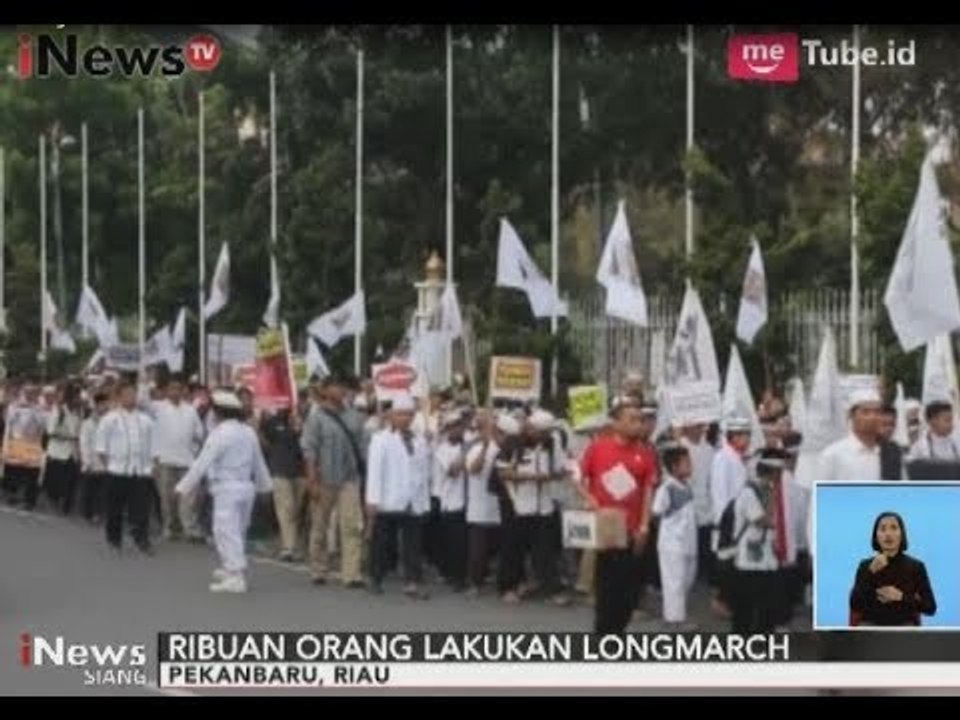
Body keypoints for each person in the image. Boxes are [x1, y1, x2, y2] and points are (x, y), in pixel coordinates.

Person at [175, 390, 273, 593]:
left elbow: (201, 464)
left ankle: (236, 576)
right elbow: (259, 463)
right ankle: (230, 568)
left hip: (227, 488)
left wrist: (182, 487)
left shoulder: (219, 434)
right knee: (238, 531)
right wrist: (265, 487)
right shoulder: (248, 432)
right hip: (246, 487)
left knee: (225, 532)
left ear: (218, 412)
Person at [579, 399, 656, 633]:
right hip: (608, 528)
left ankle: (617, 629)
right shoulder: (598, 448)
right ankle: (605, 635)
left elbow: (647, 490)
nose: (638, 424)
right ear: (616, 423)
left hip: (633, 531)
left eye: (640, 420)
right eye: (632, 420)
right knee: (608, 589)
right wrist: (588, 498)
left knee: (630, 591)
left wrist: (644, 525)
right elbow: (578, 477)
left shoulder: (645, 454)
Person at [497, 409, 570, 606]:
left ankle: (552, 589)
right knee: (513, 550)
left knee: (546, 551)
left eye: (546, 432)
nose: (543, 436)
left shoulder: (552, 443)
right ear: (530, 428)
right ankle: (508, 587)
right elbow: (503, 473)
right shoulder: (513, 443)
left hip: (544, 506)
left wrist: (560, 473)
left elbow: (559, 469)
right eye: (540, 432)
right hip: (518, 505)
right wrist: (533, 477)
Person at [302, 376, 366, 588]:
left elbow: (362, 448)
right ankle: (318, 568)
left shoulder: (354, 417)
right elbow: (310, 451)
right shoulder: (316, 417)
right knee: (320, 525)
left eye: (343, 386)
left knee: (351, 526)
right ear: (325, 390)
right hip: (324, 478)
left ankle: (351, 573)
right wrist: (312, 480)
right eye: (336, 386)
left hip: (349, 478)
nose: (341, 390)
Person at [365, 393, 431, 598]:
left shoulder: (419, 440)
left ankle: (412, 582)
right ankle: (376, 578)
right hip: (388, 499)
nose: (405, 418)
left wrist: (424, 499)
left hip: (412, 500)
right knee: (382, 542)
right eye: (401, 414)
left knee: (413, 544)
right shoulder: (380, 439)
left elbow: (423, 472)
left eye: (409, 414)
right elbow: (374, 471)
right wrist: (372, 500)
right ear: (392, 415)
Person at [729, 448, 789, 633]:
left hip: (767, 558)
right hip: (748, 558)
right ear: (772, 472)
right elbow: (762, 520)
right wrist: (781, 523)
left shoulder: (770, 491)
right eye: (779, 473)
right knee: (745, 604)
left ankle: (764, 634)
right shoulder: (749, 492)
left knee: (767, 602)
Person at [95, 381, 156, 555]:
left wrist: (151, 466)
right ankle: (114, 539)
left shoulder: (145, 420)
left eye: (133, 394)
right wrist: (109, 466)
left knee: (141, 507)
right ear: (119, 397)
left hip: (140, 471)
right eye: (127, 394)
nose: (131, 398)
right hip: (117, 470)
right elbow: (101, 448)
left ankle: (142, 539)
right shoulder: (109, 419)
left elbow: (153, 445)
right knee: (115, 508)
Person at [849, 512, 937, 626]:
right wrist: (870, 572)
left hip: (904, 626)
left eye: (894, 528)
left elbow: (930, 608)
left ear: (902, 534)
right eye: (883, 529)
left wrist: (901, 597)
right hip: (871, 626)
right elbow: (855, 604)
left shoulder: (916, 566)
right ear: (876, 536)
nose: (888, 534)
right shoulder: (865, 566)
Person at [151, 376, 206, 542]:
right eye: (172, 388)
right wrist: (145, 378)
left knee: (188, 497)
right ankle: (169, 528)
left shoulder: (190, 410)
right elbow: (141, 400)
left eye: (178, 388)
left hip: (187, 460)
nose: (175, 392)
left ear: (182, 391)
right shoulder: (157, 408)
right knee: (167, 498)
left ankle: (190, 529)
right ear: (166, 391)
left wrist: (196, 447)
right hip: (165, 460)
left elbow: (199, 433)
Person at [651, 442, 698, 629]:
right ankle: (674, 620)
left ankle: (677, 615)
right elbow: (656, 511)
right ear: (674, 467)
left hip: (688, 543)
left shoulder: (687, 486)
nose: (690, 466)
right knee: (674, 582)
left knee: (686, 580)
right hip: (672, 545)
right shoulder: (667, 488)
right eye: (686, 463)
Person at [709, 417, 752, 615]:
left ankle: (732, 600)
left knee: (735, 563)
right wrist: (724, 521)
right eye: (744, 435)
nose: (748, 440)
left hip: (740, 518)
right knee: (725, 563)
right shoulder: (722, 458)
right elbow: (719, 492)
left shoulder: (739, 457)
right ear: (733, 437)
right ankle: (720, 601)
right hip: (727, 519)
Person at [464, 410, 503, 597]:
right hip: (480, 509)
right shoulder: (474, 449)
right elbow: (473, 469)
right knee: (477, 552)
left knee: (501, 549)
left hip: (500, 508)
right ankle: (475, 583)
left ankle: (502, 582)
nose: (487, 431)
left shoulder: (503, 448)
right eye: (483, 428)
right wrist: (485, 449)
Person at [819, 389, 896, 481]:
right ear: (851, 415)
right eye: (865, 412)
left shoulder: (891, 453)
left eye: (877, 412)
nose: (873, 417)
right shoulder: (833, 455)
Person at [261, 406, 305, 562]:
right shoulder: (273, 424)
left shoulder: (303, 421)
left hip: (300, 473)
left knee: (295, 511)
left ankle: (293, 544)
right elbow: (266, 434)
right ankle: (288, 547)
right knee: (286, 509)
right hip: (280, 472)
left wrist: (299, 428)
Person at [434, 409, 469, 591]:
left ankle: (461, 575)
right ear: (448, 429)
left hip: (468, 502)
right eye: (454, 427)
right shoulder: (442, 449)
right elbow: (453, 471)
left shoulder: (467, 445)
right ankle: (454, 577)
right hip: (450, 502)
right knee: (455, 543)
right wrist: (466, 451)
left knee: (463, 542)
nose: (458, 430)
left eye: (460, 426)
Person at [676, 422, 714, 586]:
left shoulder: (710, 449)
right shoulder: (680, 447)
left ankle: (704, 573)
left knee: (705, 540)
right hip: (687, 502)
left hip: (707, 502)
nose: (700, 429)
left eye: (701, 425)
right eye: (696, 425)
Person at [2, 384, 46, 510]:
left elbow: (42, 425)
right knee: (14, 471)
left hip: (32, 444)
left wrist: (34, 410)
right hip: (16, 443)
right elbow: (9, 423)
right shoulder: (15, 406)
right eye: (28, 392)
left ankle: (29, 500)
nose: (30, 395)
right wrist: (6, 445)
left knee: (32, 473)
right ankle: (12, 495)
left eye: (32, 393)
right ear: (24, 393)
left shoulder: (39, 408)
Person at [43, 383, 83, 515]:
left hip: (73, 453)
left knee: (72, 481)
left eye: (79, 397)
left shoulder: (79, 412)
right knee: (56, 482)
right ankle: (54, 501)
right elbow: (50, 431)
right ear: (70, 397)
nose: (79, 399)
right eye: (76, 397)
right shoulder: (59, 411)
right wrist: (68, 436)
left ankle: (66, 506)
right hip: (58, 453)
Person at [79, 391, 110, 524]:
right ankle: (87, 512)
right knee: (89, 489)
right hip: (91, 461)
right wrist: (87, 461)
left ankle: (97, 513)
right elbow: (84, 443)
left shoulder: (110, 422)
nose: (105, 407)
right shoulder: (88, 423)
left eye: (106, 404)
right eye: (103, 404)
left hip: (105, 461)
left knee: (101, 490)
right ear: (97, 405)